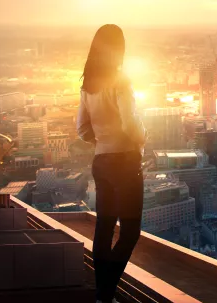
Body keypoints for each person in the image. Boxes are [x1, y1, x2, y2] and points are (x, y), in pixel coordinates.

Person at [76, 24, 146, 303]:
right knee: (130, 232)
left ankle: (101, 294)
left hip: (101, 161)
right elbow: (130, 122)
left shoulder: (88, 83)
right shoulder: (121, 80)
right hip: (125, 162)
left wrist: (102, 139)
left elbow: (82, 129)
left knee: (104, 228)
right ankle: (106, 293)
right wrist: (142, 139)